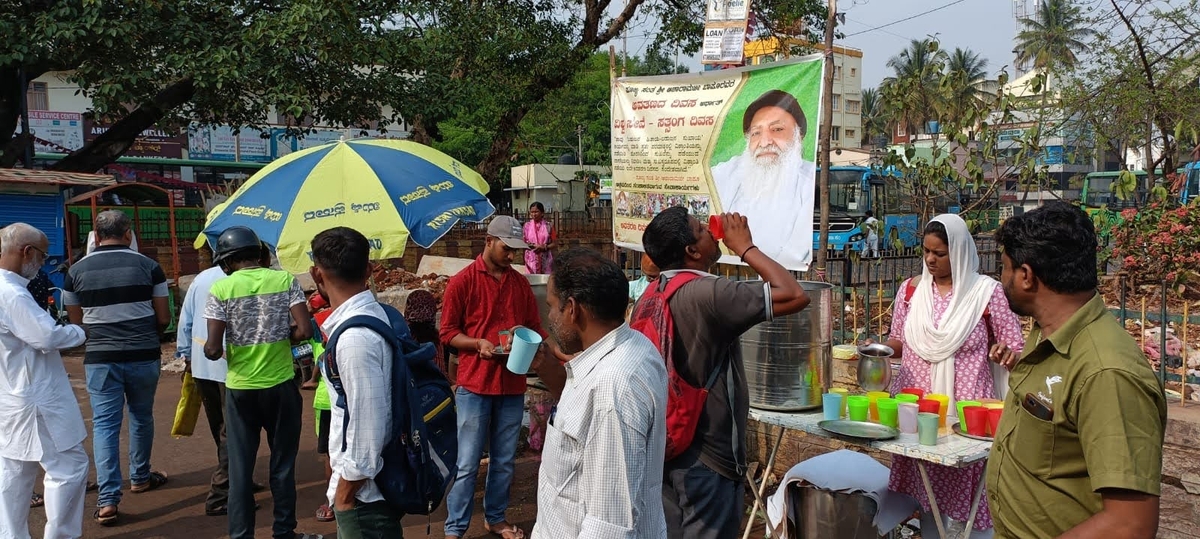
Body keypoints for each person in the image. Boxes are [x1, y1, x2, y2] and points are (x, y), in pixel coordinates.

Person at [987, 202, 1166, 539]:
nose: (1002, 279)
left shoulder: (1106, 372)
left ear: (1026, 276)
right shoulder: (1048, 331)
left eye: (1005, 268)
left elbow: (1130, 524)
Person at [639, 207, 810, 539]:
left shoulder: (652, 293)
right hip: (708, 459)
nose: (711, 231)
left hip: (664, 448)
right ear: (691, 250)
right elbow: (794, 294)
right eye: (702, 229)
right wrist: (745, 247)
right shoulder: (708, 294)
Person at [873, 214, 1025, 539]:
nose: (930, 259)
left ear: (957, 251)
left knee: (971, 497)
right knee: (927, 492)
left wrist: (1008, 354)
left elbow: (1016, 346)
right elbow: (898, 339)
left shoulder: (986, 294)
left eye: (939, 253)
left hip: (965, 413)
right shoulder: (911, 291)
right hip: (918, 408)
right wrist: (879, 350)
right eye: (926, 251)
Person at [531, 248, 668, 537]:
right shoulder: (633, 348)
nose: (550, 317)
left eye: (552, 306)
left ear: (572, 308)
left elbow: (610, 523)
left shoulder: (613, 387)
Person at [203, 227, 318, 539]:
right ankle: (284, 532)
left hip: (240, 391)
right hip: (281, 386)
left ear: (227, 262)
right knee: (282, 466)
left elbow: (213, 350)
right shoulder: (284, 280)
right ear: (259, 254)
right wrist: (281, 336)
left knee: (240, 470)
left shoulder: (221, 289)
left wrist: (212, 348)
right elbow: (305, 331)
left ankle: (241, 535)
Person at [440, 215, 547, 539]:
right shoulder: (462, 282)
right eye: (506, 248)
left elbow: (535, 327)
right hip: (474, 384)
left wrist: (529, 339)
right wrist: (477, 344)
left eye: (515, 250)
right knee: (468, 463)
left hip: (512, 384)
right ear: (488, 242)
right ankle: (455, 527)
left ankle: (495, 517)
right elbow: (447, 333)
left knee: (503, 461)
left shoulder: (519, 284)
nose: (511, 256)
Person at [63, 210, 171, 526]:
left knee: (105, 426)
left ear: (96, 237)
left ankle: (108, 500)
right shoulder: (150, 267)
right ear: (128, 234)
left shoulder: (75, 271)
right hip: (142, 355)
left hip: (100, 359)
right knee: (141, 416)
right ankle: (140, 477)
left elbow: (76, 322)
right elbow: (164, 318)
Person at [310, 227, 402, 538]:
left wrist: (344, 495)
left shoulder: (354, 340)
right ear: (369, 269)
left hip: (364, 497)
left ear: (316, 274)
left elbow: (368, 430)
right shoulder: (377, 315)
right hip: (369, 490)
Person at [0, 223, 90, 539]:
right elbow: (46, 336)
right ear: (27, 252)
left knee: (15, 470)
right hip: (35, 396)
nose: (42, 263)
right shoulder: (11, 293)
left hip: (9, 395)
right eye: (42, 256)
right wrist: (80, 331)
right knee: (69, 467)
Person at [710, 90, 817, 269]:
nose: (765, 141)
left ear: (799, 136)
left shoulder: (808, 181)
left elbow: (796, 253)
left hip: (779, 283)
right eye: (756, 133)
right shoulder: (734, 171)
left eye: (777, 130)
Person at [300, 292, 337, 523]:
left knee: (330, 456)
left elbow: (317, 356)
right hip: (345, 396)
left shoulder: (317, 326)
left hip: (327, 400)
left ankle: (332, 502)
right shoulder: (348, 317)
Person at [523, 202, 556, 274]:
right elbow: (523, 242)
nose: (534, 214)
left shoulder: (548, 226)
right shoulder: (527, 226)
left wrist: (544, 247)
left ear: (542, 213)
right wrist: (533, 246)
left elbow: (554, 243)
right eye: (532, 212)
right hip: (531, 259)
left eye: (536, 212)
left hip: (546, 258)